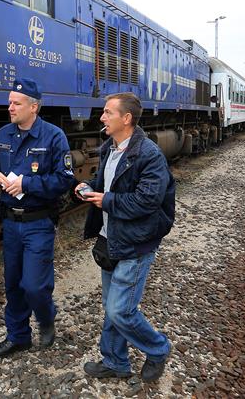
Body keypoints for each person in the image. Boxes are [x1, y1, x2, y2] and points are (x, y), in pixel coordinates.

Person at [77, 92, 174, 383]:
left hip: (136, 242)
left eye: (108, 112)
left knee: (121, 310)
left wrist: (105, 200)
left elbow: (147, 201)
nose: (102, 118)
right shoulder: (111, 148)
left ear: (126, 119)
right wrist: (88, 188)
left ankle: (158, 349)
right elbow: (105, 183)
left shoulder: (149, 155)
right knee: (111, 307)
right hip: (112, 238)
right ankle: (116, 362)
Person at [0, 78, 76, 357]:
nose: (10, 107)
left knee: (34, 286)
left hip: (38, 223)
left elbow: (65, 179)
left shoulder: (54, 136)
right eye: (9, 102)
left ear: (33, 107)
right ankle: (18, 336)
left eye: (16, 103)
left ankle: (46, 319)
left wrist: (27, 185)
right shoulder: (3, 135)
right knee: (13, 284)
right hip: (11, 223)